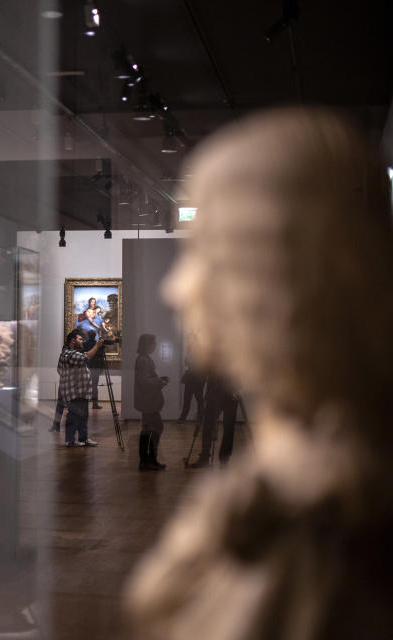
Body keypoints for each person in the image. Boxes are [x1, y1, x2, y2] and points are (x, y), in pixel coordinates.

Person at [125, 109, 393, 638]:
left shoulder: (323, 527)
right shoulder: (286, 487)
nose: (176, 289)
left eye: (204, 255)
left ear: (271, 275)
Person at [56, 328, 105, 447]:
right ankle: (70, 441)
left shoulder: (72, 353)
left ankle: (83, 438)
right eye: (80, 339)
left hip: (80, 392)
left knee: (83, 416)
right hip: (74, 392)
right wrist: (97, 346)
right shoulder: (68, 353)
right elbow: (86, 357)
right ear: (73, 341)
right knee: (73, 417)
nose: (82, 341)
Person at [134, 333, 169, 470]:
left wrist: (159, 380)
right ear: (146, 345)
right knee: (152, 429)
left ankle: (148, 460)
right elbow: (144, 382)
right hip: (148, 401)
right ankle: (148, 460)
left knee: (150, 429)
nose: (154, 345)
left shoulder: (145, 359)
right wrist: (160, 382)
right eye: (153, 343)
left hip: (148, 401)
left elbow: (147, 379)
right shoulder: (143, 360)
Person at [189, 374, 239, 467]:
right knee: (209, 425)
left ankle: (223, 459)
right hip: (217, 392)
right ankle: (207, 457)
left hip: (229, 392)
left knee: (228, 427)